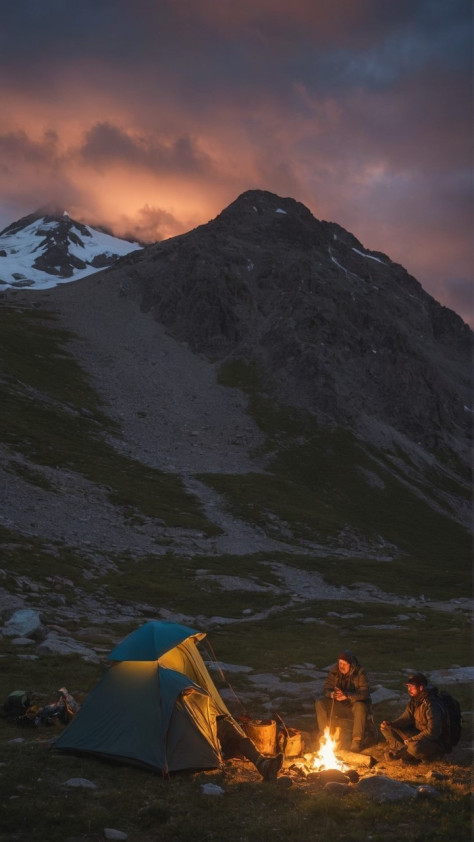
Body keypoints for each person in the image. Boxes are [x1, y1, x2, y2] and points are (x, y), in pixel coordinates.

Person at [380, 672, 445, 764]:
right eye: (408, 686)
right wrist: (391, 724)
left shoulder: (431, 705)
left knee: (414, 746)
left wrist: (413, 739)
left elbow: (433, 732)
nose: (409, 689)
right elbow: (406, 718)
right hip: (417, 735)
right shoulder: (414, 701)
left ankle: (408, 756)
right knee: (386, 728)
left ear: (421, 688)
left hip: (433, 741)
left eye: (412, 687)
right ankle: (402, 751)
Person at [315, 650, 372, 752]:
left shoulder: (359, 672)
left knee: (360, 706)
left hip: (353, 706)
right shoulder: (334, 671)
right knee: (320, 703)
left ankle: (356, 741)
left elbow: (365, 693)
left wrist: (347, 696)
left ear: (351, 665)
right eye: (340, 663)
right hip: (339, 705)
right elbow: (326, 688)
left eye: (345, 664)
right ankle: (324, 735)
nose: (341, 666)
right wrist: (332, 694)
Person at [216, 713, 284, 781]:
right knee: (224, 725)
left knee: (230, 727)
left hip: (223, 745)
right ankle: (264, 765)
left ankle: (264, 764)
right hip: (212, 747)